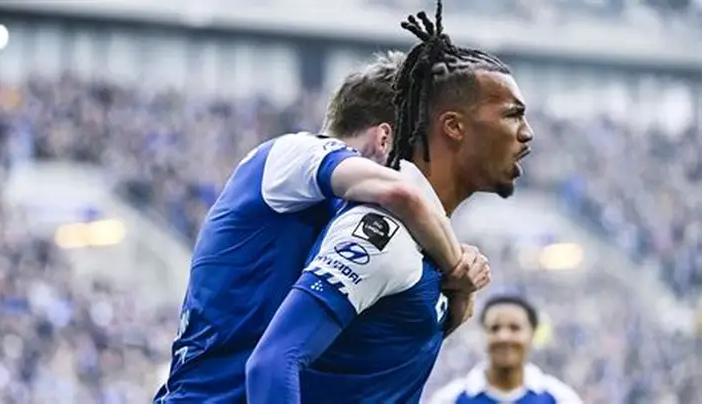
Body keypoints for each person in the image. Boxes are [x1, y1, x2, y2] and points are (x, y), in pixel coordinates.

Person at [245, 1, 534, 402]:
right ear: (454, 127)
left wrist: (459, 293)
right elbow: (272, 362)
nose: (527, 133)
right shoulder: (382, 232)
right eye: (512, 115)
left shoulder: (428, 241)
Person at [153, 51, 471, 403]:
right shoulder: (294, 153)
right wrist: (456, 266)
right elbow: (403, 193)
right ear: (384, 140)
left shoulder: (347, 214)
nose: (418, 172)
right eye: (414, 155)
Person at [429, 295, 583, 404]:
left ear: (532, 333)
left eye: (514, 328)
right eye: (495, 328)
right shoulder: (450, 399)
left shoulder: (560, 398)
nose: (504, 337)